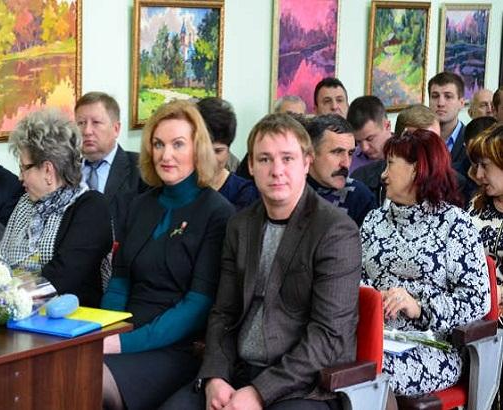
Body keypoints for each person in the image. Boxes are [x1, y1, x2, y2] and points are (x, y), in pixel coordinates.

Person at [161, 113, 361, 410]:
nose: (276, 170)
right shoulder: (240, 224)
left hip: (302, 386)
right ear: (252, 166)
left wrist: (259, 392)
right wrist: (215, 376)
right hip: (238, 372)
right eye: (265, 159)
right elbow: (223, 313)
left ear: (306, 162)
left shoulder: (335, 230)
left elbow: (328, 336)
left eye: (287, 159)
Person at [100, 100, 234, 410]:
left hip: (178, 346)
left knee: (86, 378)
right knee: (60, 368)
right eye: (158, 144)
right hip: (125, 331)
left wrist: (122, 343)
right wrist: (106, 332)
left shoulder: (218, 213)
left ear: (198, 149)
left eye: (178, 144)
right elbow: (119, 283)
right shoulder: (138, 205)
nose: (166, 155)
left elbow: (197, 305)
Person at [361, 129, 490, 398]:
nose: (383, 175)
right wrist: (372, 297)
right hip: (378, 336)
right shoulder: (374, 220)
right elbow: (358, 280)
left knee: (372, 372)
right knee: (337, 359)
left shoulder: (455, 224)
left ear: (416, 169)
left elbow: (477, 300)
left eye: (391, 164)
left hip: (434, 346)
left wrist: (420, 308)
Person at [0, 109, 113, 307]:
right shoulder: (25, 202)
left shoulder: (91, 207)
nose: (20, 177)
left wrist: (12, 293)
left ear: (48, 170)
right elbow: (2, 260)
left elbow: (65, 274)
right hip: (18, 308)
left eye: (24, 168)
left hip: (70, 317)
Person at [74, 92, 144, 240]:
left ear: (116, 129)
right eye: (81, 123)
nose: (87, 131)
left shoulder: (140, 168)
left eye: (96, 122)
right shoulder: (66, 171)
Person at [306, 114, 376, 226]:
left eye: (350, 153)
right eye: (337, 152)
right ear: (310, 154)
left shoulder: (359, 197)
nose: (346, 164)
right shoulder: (288, 191)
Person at [196, 97, 259, 211]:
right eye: (203, 150)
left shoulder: (245, 193)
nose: (210, 159)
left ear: (229, 150)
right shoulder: (177, 186)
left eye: (218, 151)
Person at [467, 123, 503, 303]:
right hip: (475, 305)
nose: (479, 174)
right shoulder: (476, 204)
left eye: (485, 165)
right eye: (477, 166)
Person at [428, 72, 467, 174]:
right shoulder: (420, 139)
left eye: (448, 97)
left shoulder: (471, 141)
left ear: (461, 103)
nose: (440, 103)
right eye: (435, 96)